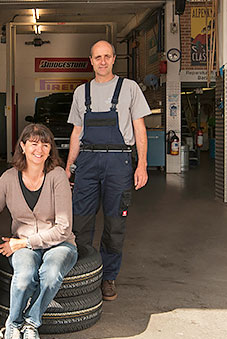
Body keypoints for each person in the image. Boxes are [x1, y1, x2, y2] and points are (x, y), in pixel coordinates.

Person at [65, 40, 150, 301]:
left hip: (119, 163)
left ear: (114, 59)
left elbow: (139, 128)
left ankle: (108, 278)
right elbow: (77, 132)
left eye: (107, 56)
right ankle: (80, 274)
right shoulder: (81, 93)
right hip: (88, 163)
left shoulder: (130, 88)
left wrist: (142, 164)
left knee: (115, 224)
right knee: (80, 221)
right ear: (90, 60)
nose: (102, 61)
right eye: (97, 57)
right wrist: (69, 166)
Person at [0, 124, 78, 339]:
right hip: (23, 243)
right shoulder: (8, 178)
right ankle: (13, 324)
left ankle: (31, 323)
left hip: (59, 244)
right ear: (23, 146)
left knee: (51, 274)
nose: (40, 149)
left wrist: (23, 243)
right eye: (33, 143)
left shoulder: (57, 177)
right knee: (24, 277)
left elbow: (63, 228)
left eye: (45, 144)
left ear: (50, 149)